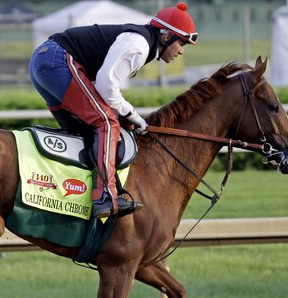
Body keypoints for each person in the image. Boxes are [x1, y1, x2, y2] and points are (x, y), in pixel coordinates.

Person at [29, 2, 198, 219]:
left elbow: (103, 88)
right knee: (106, 123)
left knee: (84, 133)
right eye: (181, 43)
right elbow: (106, 86)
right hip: (56, 60)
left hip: (44, 61)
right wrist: (134, 116)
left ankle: (70, 196)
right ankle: (104, 197)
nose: (181, 51)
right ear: (166, 36)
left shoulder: (141, 41)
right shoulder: (139, 45)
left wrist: (126, 116)